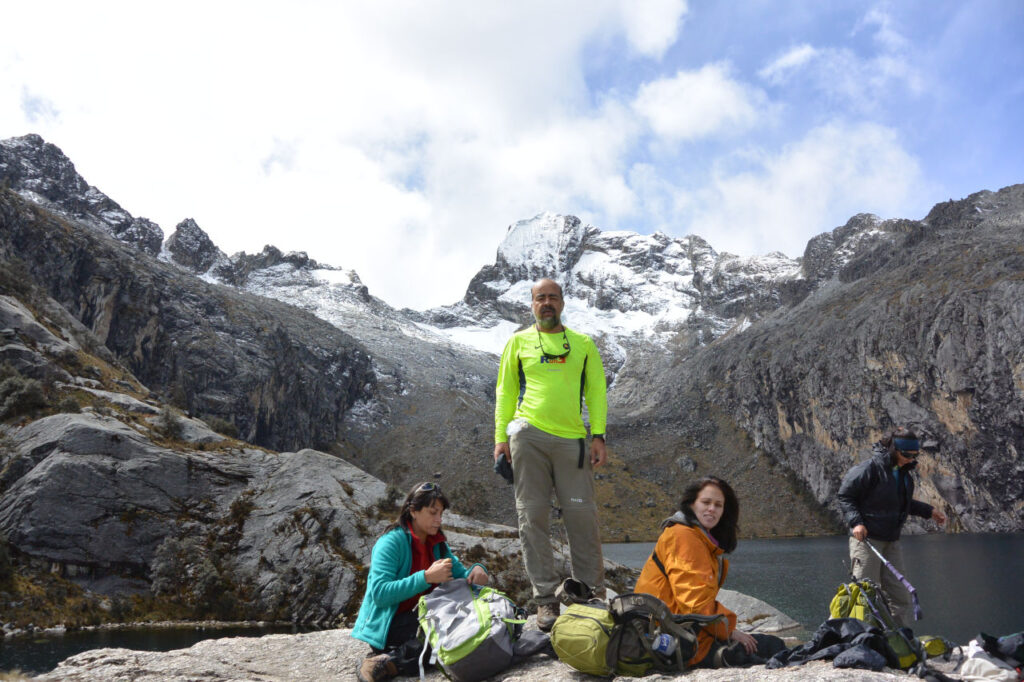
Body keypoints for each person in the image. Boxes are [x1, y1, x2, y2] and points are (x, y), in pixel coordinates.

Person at [493, 277, 608, 632]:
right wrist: (500, 440)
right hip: (528, 438)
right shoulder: (518, 342)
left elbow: (596, 389)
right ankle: (545, 601)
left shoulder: (583, 344)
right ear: (531, 304)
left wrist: (599, 435)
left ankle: (590, 595)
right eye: (540, 298)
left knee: (582, 518)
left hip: (572, 440)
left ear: (562, 303)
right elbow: (505, 391)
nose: (546, 303)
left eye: (552, 297)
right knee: (532, 518)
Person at [634, 476, 785, 668]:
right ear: (691, 505)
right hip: (676, 644)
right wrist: (730, 631)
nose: (712, 509)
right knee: (770, 650)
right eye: (705, 502)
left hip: (679, 633)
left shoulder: (696, 537)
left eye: (718, 505)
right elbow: (694, 603)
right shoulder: (684, 536)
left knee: (769, 646)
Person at [352, 482, 489, 682]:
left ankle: (393, 661)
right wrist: (426, 578)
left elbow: (462, 575)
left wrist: (478, 569)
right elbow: (380, 594)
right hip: (389, 625)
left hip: (419, 617)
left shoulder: (437, 544)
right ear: (413, 511)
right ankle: (385, 662)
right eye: (433, 513)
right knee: (450, 635)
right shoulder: (391, 542)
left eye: (441, 514)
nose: (438, 520)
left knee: (464, 629)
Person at [837, 427, 946, 627]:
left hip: (891, 541)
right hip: (867, 540)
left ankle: (899, 640)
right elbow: (845, 496)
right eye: (906, 454)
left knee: (900, 596)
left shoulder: (904, 475)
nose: (911, 459)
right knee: (864, 595)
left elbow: (902, 504)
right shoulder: (869, 469)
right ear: (894, 449)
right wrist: (857, 523)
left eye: (915, 455)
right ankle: (862, 641)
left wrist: (929, 511)